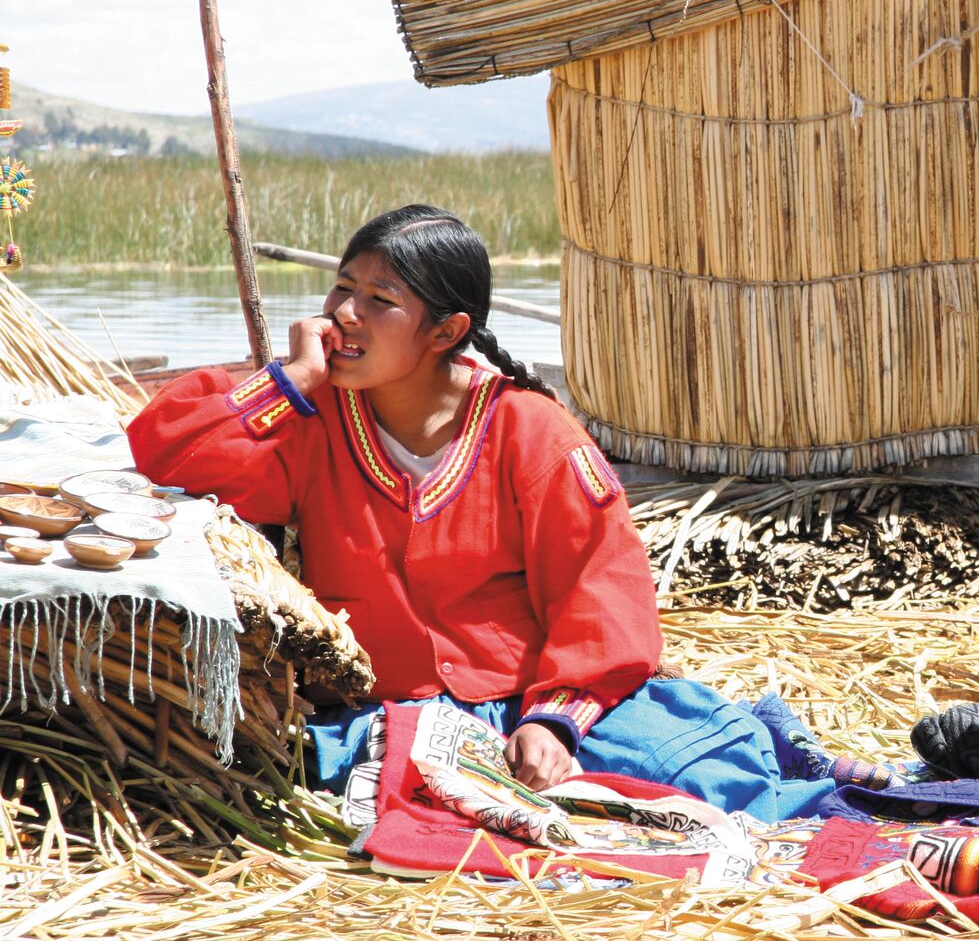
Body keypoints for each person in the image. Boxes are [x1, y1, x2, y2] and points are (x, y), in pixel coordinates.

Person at [128, 205, 831, 820]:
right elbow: (166, 454)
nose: (344, 314)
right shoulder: (311, 421)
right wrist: (290, 380)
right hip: (388, 716)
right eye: (342, 287)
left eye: (379, 299)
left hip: (526, 702)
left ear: (445, 331)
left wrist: (556, 725)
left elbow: (600, 590)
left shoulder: (531, 433)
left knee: (691, 780)